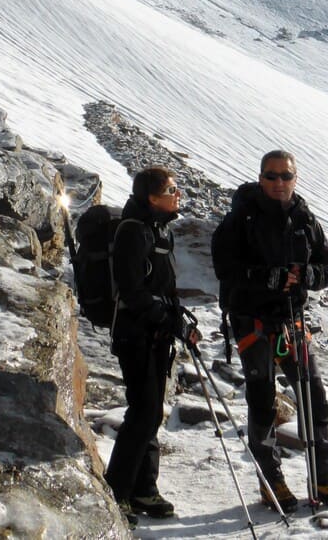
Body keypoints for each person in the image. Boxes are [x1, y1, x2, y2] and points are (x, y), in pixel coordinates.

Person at [211, 150, 328, 512]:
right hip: (253, 322)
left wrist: (307, 275)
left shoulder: (304, 218)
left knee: (314, 398)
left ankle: (323, 475)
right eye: (271, 176)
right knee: (262, 402)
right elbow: (225, 266)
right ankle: (271, 481)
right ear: (260, 178)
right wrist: (265, 277)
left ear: (295, 178)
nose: (278, 183)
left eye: (285, 176)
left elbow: (326, 263)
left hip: (292, 321)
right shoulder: (240, 218)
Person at [105, 167, 198, 524]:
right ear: (152, 197)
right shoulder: (133, 231)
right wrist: (164, 315)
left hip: (155, 333)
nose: (178, 194)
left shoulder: (161, 229)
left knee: (151, 412)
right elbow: (131, 290)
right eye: (172, 189)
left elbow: (163, 287)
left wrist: (178, 320)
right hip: (134, 333)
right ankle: (117, 493)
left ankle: (144, 488)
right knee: (142, 413)